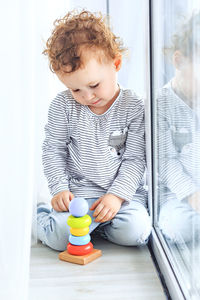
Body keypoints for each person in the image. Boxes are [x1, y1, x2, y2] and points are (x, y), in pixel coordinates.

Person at [37, 10, 151, 251]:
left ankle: (97, 226)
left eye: (93, 85)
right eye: (75, 90)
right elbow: (53, 151)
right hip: (79, 196)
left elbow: (136, 159)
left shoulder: (134, 106)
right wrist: (60, 189)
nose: (87, 97)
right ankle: (39, 214)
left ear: (116, 63)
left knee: (137, 231)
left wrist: (116, 196)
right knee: (59, 239)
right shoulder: (62, 106)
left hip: (120, 197)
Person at [157, 12, 200, 245]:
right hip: (175, 196)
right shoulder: (160, 104)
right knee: (180, 226)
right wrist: (192, 195)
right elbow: (165, 161)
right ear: (179, 61)